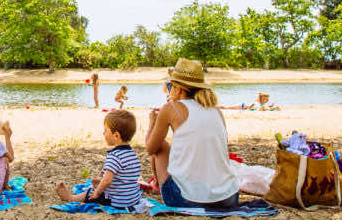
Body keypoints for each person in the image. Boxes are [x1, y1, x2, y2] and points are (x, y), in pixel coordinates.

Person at [145, 58, 239, 208]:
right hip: (229, 197)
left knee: (160, 146)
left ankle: (158, 184)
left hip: (189, 199)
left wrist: (152, 122)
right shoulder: (215, 110)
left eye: (171, 86)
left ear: (179, 88)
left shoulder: (171, 108)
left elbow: (150, 148)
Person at [55, 109, 144, 209]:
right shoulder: (132, 155)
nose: (103, 133)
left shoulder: (114, 156)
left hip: (118, 201)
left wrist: (97, 192)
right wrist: (103, 180)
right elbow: (126, 176)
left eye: (105, 130)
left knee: (90, 192)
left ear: (116, 135)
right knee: (100, 185)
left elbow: (107, 181)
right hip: (132, 199)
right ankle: (100, 189)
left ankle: (71, 198)